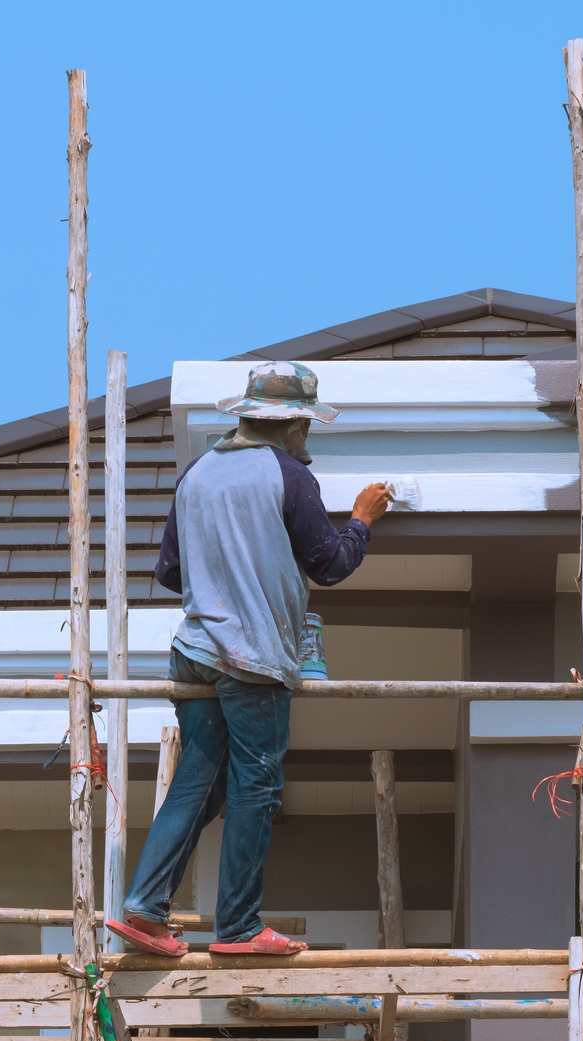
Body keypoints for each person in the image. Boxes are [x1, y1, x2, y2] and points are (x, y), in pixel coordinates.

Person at [107, 362, 390, 956]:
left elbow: (173, 573)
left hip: (194, 651)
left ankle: (143, 909)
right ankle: (237, 926)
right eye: (305, 425)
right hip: (252, 658)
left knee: (198, 783)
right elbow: (331, 564)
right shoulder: (288, 475)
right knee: (255, 785)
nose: (307, 436)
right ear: (289, 423)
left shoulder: (198, 475)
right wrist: (362, 521)